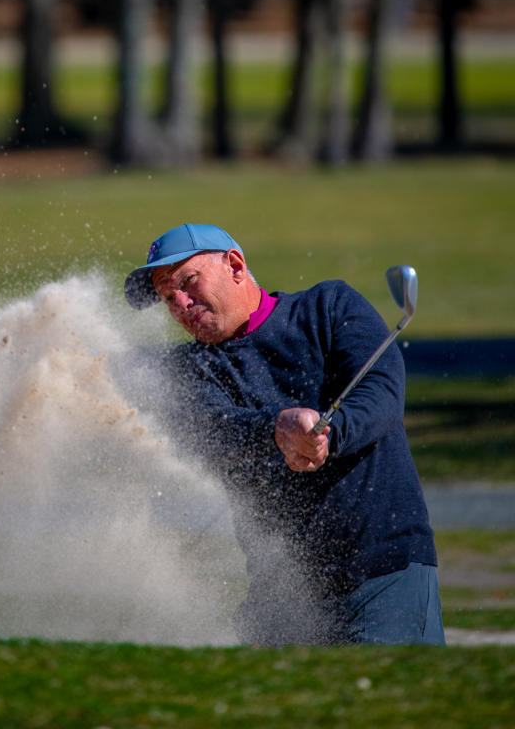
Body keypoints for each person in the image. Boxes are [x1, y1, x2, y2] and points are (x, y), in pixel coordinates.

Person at [124, 222, 445, 646]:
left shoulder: (327, 306)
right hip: (280, 594)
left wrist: (331, 435)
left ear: (235, 265)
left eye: (188, 282)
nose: (181, 304)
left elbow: (382, 391)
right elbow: (212, 432)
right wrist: (278, 431)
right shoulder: (189, 369)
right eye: (169, 298)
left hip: (382, 569)